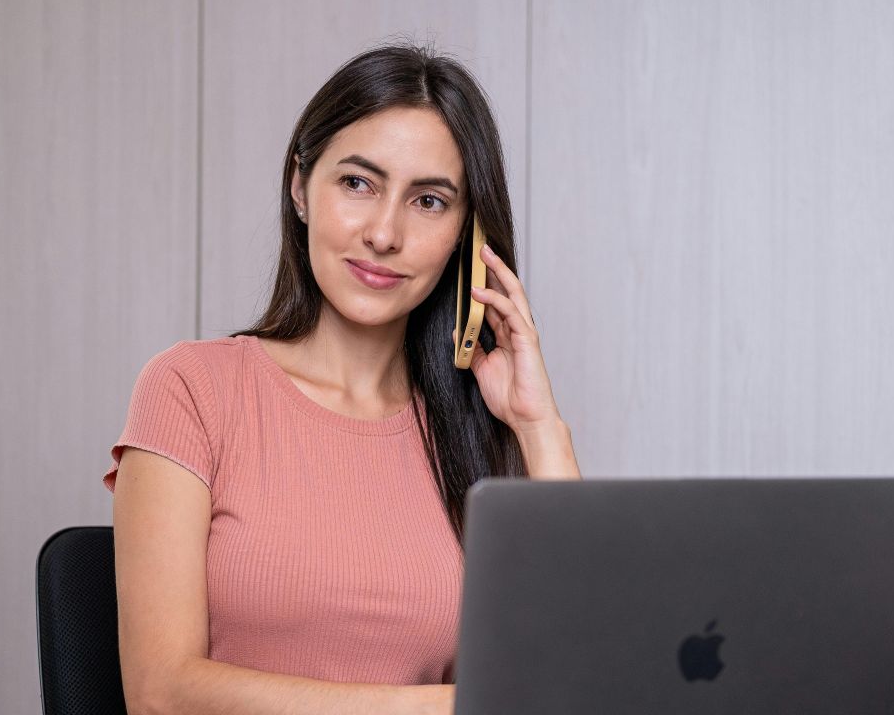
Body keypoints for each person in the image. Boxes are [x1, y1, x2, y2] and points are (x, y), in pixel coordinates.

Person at [102, 42, 582, 715]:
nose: (384, 233)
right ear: (300, 187)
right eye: (358, 183)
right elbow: (162, 693)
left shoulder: (475, 431)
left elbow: (577, 671)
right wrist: (445, 708)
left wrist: (539, 427)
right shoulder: (190, 389)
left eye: (429, 201)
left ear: (467, 237)